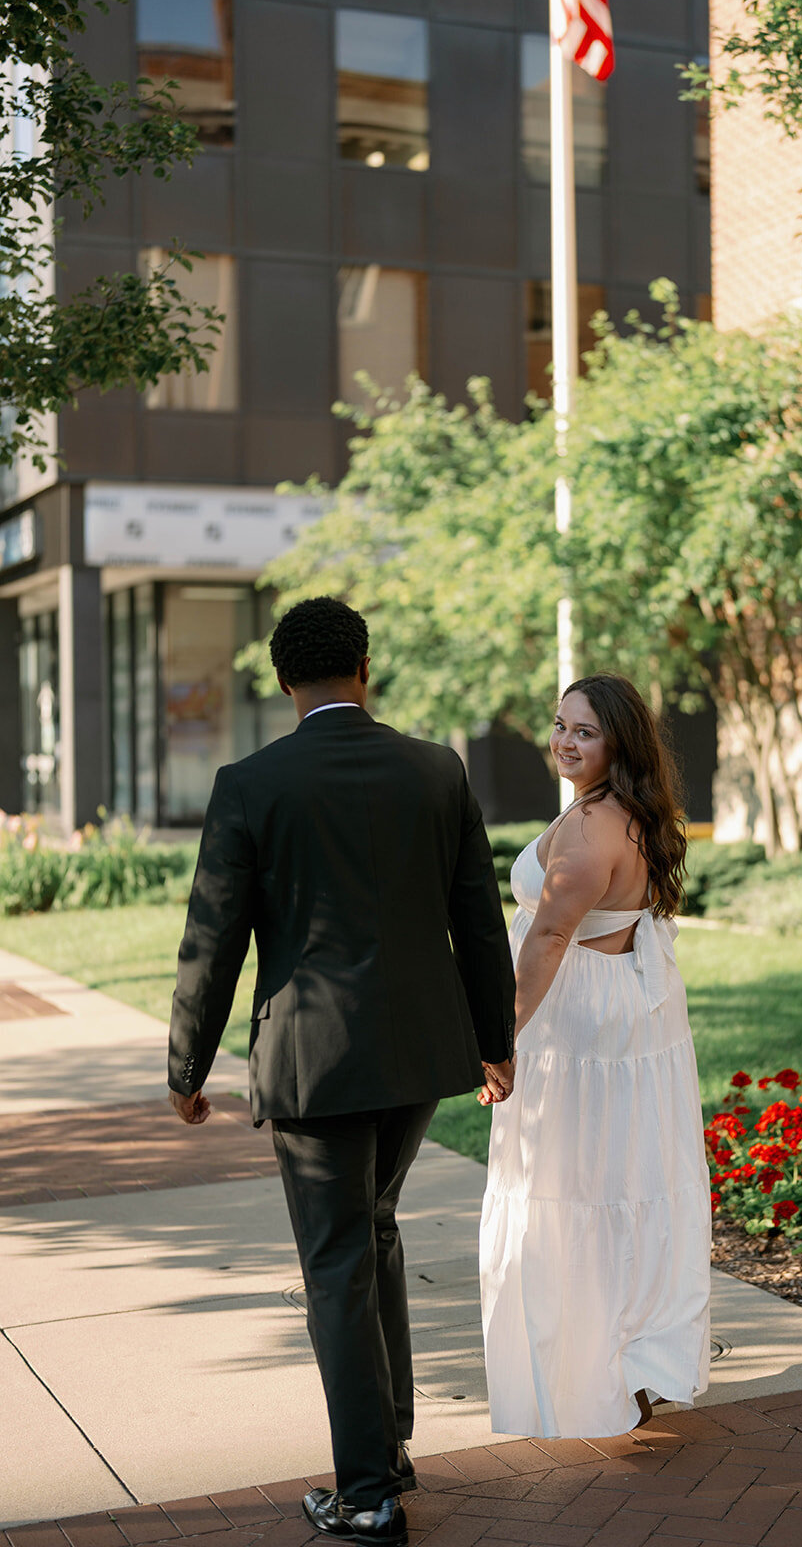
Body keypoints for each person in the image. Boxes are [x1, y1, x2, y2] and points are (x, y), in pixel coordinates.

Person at [168, 596, 515, 1547]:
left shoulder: (250, 783)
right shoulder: (436, 769)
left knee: (337, 1261)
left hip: (313, 1063)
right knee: (375, 1230)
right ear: (366, 668)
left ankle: (367, 1495)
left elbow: (212, 939)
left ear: (284, 681)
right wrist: (495, 1042)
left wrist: (187, 1064)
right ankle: (386, 1449)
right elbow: (478, 920)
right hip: (419, 1058)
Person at [479, 674, 711, 1438]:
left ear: (619, 743)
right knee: (623, 1179)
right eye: (559, 725)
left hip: (576, 1030)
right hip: (618, 1016)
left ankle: (595, 1373)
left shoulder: (590, 828)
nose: (563, 741)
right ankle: (633, 1359)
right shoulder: (628, 812)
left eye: (584, 731)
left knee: (573, 1186)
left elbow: (549, 937)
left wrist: (500, 1039)